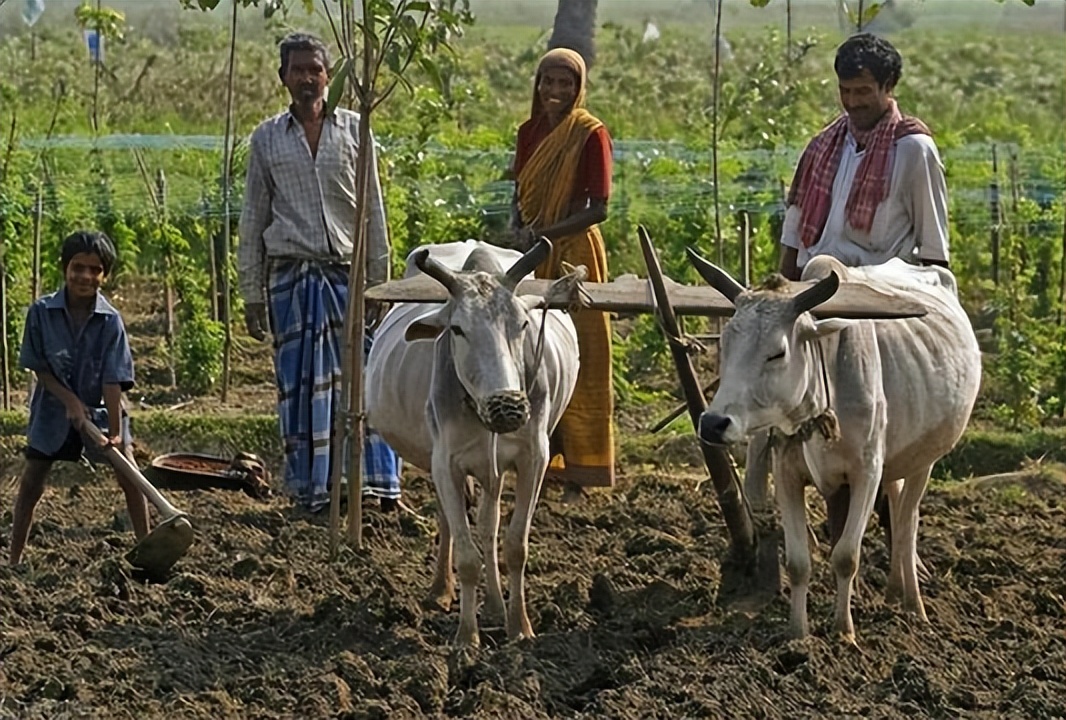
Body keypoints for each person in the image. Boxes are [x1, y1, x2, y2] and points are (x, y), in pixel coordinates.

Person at [238, 32, 402, 514]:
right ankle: (313, 492)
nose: (307, 78)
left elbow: (372, 210)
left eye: (315, 69)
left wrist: (379, 283)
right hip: (293, 281)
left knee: (361, 383)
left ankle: (371, 488)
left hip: (346, 278)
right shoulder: (267, 138)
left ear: (329, 75)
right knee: (302, 387)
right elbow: (253, 220)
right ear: (283, 77)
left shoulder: (356, 129)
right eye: (297, 70)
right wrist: (251, 294)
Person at [509, 47, 616, 489]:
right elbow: (519, 192)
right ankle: (541, 460)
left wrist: (550, 231)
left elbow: (600, 208)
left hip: (576, 255)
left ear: (579, 88)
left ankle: (583, 469)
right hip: (535, 253)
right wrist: (519, 230)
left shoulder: (591, 134)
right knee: (531, 355)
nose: (556, 91)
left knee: (582, 356)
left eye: (565, 83)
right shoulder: (527, 132)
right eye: (548, 82)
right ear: (537, 84)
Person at [8, 230, 148, 566]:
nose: (85, 276)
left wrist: (115, 432)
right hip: (51, 414)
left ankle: (148, 549)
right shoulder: (41, 313)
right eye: (77, 267)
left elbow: (114, 379)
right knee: (31, 484)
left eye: (94, 269)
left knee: (130, 477)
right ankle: (13, 560)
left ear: (105, 275)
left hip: (101, 413)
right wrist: (69, 400)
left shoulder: (110, 321)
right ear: (65, 268)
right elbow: (39, 367)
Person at [779, 32, 949, 281]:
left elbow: (934, 245)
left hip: (880, 289)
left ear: (888, 85)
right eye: (845, 91)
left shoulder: (913, 149)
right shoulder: (823, 146)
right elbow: (794, 235)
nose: (852, 101)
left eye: (863, 91)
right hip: (817, 282)